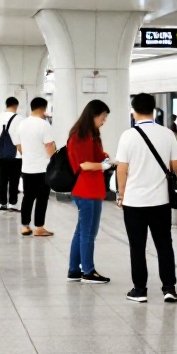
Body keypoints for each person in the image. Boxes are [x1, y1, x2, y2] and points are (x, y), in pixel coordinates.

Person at [115, 93, 177, 302]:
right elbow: (175, 167)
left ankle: (140, 290)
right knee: (164, 244)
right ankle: (169, 288)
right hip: (161, 201)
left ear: (133, 111)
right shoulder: (167, 134)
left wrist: (121, 194)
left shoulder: (128, 136)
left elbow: (122, 169)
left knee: (137, 246)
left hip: (134, 202)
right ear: (154, 110)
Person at [66, 100, 112, 285]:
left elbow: (94, 156)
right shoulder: (80, 135)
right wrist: (104, 165)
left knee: (81, 231)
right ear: (93, 115)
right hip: (86, 190)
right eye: (103, 117)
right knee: (88, 232)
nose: (104, 121)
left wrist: (104, 158)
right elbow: (84, 164)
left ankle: (74, 270)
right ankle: (88, 271)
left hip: (92, 188)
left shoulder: (91, 135)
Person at [15, 97, 55, 236]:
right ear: (44, 108)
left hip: (27, 167)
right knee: (42, 199)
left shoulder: (22, 124)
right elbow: (50, 147)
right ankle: (39, 227)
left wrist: (28, 155)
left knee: (28, 197)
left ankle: (25, 226)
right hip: (43, 168)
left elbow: (19, 146)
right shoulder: (44, 125)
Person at [0, 97, 22, 212]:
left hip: (1, 153)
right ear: (16, 106)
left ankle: (3, 203)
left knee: (2, 178)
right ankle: (12, 203)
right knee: (14, 179)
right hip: (16, 155)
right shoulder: (20, 119)